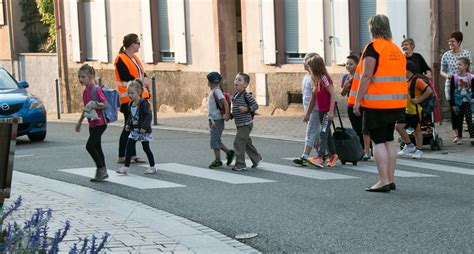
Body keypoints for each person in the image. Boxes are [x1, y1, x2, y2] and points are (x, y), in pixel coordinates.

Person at [349, 14, 407, 192]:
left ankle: (383, 181)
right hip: (396, 102)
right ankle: (390, 179)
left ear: (372, 29)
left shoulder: (373, 47)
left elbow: (366, 75)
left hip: (376, 103)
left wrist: (358, 101)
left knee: (378, 141)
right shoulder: (395, 49)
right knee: (389, 139)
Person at [114, 33, 150, 164]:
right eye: (138, 43)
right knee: (128, 126)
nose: (139, 45)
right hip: (127, 99)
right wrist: (141, 80)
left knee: (134, 126)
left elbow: (142, 73)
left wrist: (144, 79)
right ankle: (122, 155)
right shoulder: (120, 59)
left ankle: (132, 155)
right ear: (131, 44)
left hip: (138, 98)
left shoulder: (134, 58)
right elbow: (127, 77)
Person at [75, 64, 109, 182]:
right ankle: (102, 171)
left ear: (91, 77)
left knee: (90, 146)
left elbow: (105, 104)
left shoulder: (96, 89)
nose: (81, 79)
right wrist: (79, 122)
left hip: (100, 123)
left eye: (83, 77)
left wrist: (95, 105)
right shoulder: (85, 92)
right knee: (97, 147)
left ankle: (101, 169)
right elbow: (86, 108)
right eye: (79, 77)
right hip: (92, 123)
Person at [116, 79, 157, 175]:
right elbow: (131, 116)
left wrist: (144, 127)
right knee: (129, 146)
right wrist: (128, 125)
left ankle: (152, 166)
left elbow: (148, 116)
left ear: (138, 92)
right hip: (134, 130)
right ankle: (126, 167)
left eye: (132, 93)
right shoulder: (130, 104)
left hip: (143, 130)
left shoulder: (143, 103)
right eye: (128, 93)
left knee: (146, 148)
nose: (130, 95)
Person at [304, 54, 337, 168]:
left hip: (328, 110)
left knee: (323, 133)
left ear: (315, 67)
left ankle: (320, 157)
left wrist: (331, 111)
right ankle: (334, 155)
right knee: (327, 135)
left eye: (309, 67)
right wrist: (307, 114)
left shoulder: (324, 78)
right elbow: (314, 98)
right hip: (322, 110)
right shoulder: (314, 79)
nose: (308, 69)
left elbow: (332, 94)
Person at [396, 61, 433, 159]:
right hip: (406, 110)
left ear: (408, 70)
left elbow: (429, 91)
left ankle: (419, 150)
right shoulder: (405, 80)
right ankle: (409, 145)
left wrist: (419, 99)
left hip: (415, 110)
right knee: (398, 126)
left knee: (417, 130)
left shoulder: (417, 80)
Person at [440, 31, 472, 143]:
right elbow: (442, 71)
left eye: (452, 41)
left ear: (459, 42)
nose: (450, 43)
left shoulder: (466, 53)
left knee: (467, 110)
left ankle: (470, 134)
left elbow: (470, 69)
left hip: (465, 87)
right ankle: (456, 134)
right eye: (449, 41)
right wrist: (447, 76)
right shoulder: (446, 55)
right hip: (451, 86)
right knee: (454, 110)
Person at [340, 54, 371, 161]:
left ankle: (367, 150)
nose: (348, 66)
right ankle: (360, 150)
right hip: (350, 106)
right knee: (356, 129)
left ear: (357, 65)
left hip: (363, 105)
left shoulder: (362, 76)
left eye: (351, 64)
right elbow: (342, 93)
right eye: (347, 64)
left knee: (364, 129)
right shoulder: (345, 77)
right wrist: (344, 87)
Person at [293, 53, 321, 166]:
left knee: (310, 132)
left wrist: (308, 113)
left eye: (305, 61)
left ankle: (305, 156)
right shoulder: (306, 76)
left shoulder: (314, 77)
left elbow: (314, 98)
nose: (303, 63)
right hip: (308, 109)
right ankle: (324, 153)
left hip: (314, 109)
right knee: (316, 133)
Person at [231, 72, 262, 171]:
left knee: (238, 143)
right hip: (239, 124)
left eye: (239, 80)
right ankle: (256, 159)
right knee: (246, 143)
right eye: (236, 79)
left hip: (246, 124)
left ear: (245, 85)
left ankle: (240, 164)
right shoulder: (236, 95)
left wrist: (246, 109)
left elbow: (255, 106)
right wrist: (231, 115)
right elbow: (235, 109)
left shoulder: (246, 95)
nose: (236, 81)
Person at [206, 71, 235, 169]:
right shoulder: (215, 91)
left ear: (209, 82)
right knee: (216, 140)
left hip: (217, 120)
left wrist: (227, 114)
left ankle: (218, 161)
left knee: (214, 141)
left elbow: (225, 103)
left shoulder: (216, 91)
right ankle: (229, 153)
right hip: (214, 120)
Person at [448, 57, 474, 145]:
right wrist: (452, 104)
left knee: (469, 119)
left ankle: (472, 137)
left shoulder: (471, 77)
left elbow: (473, 89)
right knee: (458, 120)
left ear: (466, 66)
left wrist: (473, 97)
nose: (457, 66)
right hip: (458, 102)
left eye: (460, 64)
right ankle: (459, 137)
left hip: (468, 102)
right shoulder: (454, 77)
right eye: (457, 64)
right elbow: (451, 91)